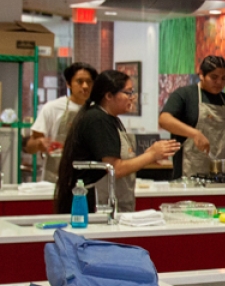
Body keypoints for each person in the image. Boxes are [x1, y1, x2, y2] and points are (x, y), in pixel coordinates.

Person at [54, 70, 179, 215]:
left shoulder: (112, 119)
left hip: (113, 201)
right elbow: (115, 169)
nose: (132, 98)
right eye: (128, 93)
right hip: (95, 204)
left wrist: (146, 157)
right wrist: (151, 155)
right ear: (108, 96)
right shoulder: (98, 120)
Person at [158, 55, 225, 179]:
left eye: (224, 78)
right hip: (190, 176)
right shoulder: (185, 95)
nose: (219, 82)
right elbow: (164, 120)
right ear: (201, 75)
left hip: (224, 176)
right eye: (214, 77)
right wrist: (194, 133)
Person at [25, 62, 97, 183]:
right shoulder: (52, 108)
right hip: (55, 178)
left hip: (89, 178)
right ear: (69, 84)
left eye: (89, 82)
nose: (85, 86)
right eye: (79, 81)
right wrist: (39, 143)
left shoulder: (97, 110)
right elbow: (30, 146)